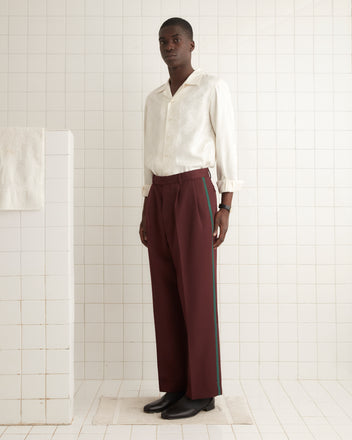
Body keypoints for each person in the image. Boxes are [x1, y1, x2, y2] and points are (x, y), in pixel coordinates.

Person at [139, 17, 243, 420]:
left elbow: (227, 146)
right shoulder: (154, 98)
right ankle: (177, 386)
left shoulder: (212, 87)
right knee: (165, 294)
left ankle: (203, 392)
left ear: (192, 45)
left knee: (197, 293)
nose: (169, 46)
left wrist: (226, 204)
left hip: (196, 191)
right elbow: (146, 156)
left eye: (176, 39)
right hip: (160, 194)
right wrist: (146, 207)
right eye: (163, 41)